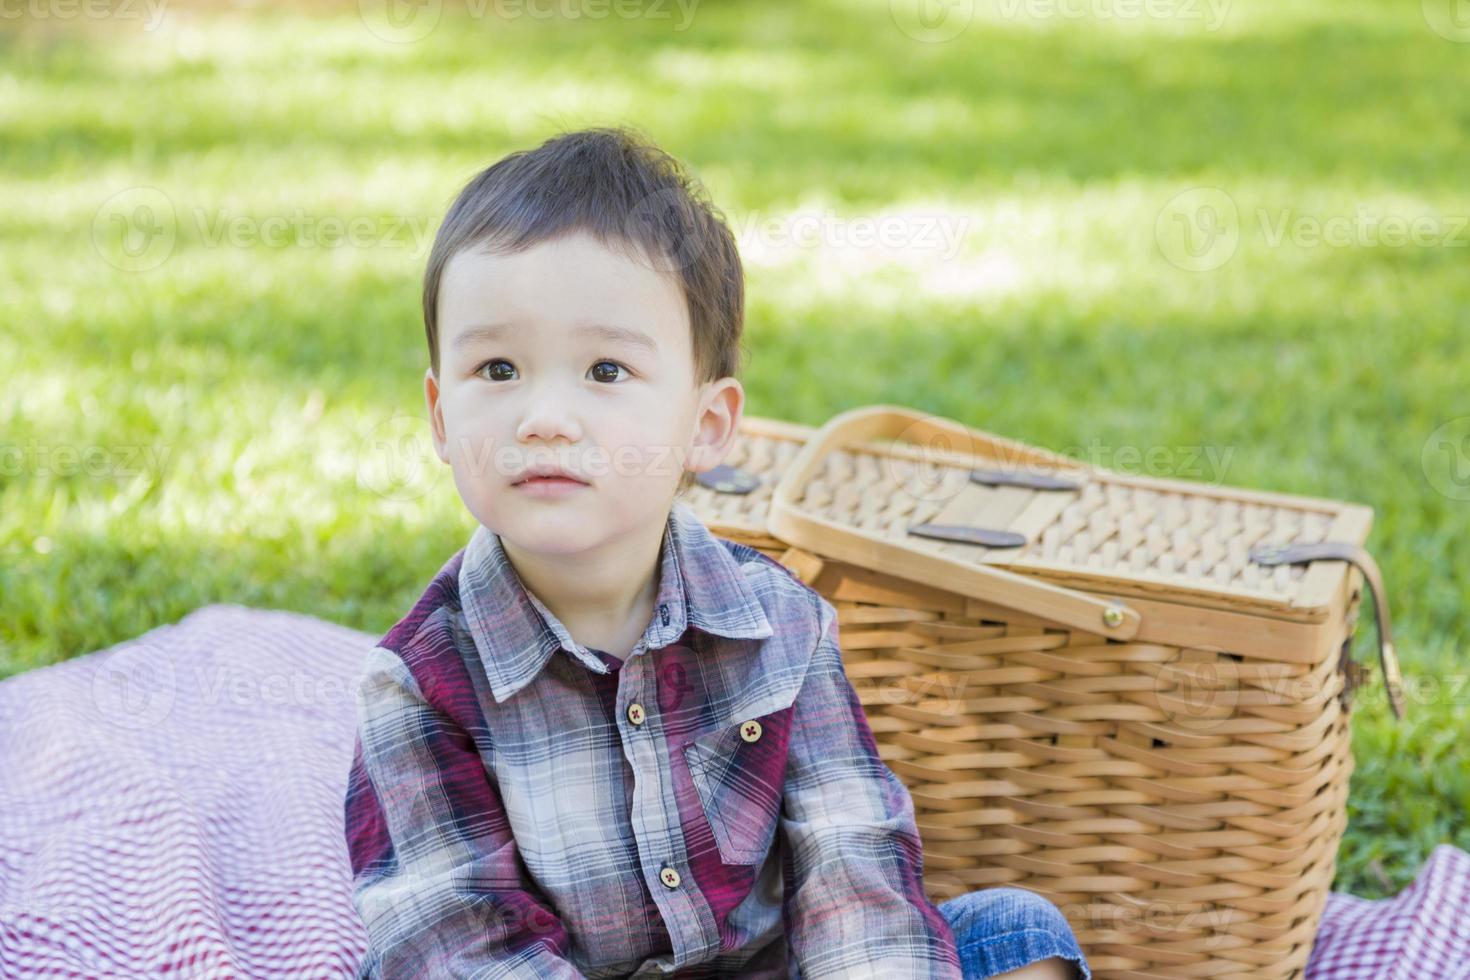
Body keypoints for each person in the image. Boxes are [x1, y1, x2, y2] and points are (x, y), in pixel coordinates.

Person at [341, 125, 1091, 980]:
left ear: (705, 426)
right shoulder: (419, 685)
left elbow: (852, 867)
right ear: (441, 417)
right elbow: (462, 946)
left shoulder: (781, 623)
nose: (543, 416)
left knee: (1022, 938)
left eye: (606, 371)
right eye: (500, 369)